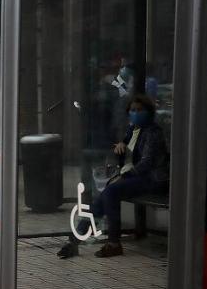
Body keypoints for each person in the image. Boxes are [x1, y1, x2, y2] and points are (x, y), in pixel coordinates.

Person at [60, 93, 169, 259]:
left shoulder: (153, 132)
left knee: (110, 192)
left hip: (151, 178)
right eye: (132, 110)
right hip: (135, 177)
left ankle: (111, 243)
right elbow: (124, 151)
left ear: (148, 112)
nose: (135, 113)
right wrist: (120, 146)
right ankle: (76, 240)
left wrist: (124, 176)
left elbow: (147, 163)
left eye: (140, 110)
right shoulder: (133, 130)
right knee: (107, 194)